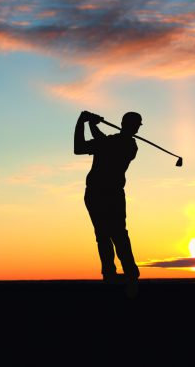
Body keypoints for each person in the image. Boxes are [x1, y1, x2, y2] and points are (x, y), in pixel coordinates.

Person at [74, 110, 141, 296]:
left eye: (137, 125)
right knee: (105, 235)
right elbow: (83, 146)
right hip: (99, 194)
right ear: (127, 124)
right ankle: (115, 274)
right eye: (135, 124)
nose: (136, 128)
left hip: (107, 194)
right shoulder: (118, 142)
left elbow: (92, 145)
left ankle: (127, 274)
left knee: (116, 234)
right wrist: (88, 123)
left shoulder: (129, 145)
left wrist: (85, 121)